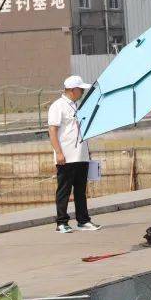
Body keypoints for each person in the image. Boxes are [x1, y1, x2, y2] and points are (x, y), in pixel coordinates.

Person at [48, 75, 101, 233]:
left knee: (80, 190)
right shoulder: (58, 106)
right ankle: (61, 222)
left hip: (81, 155)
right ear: (72, 90)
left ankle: (83, 220)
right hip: (67, 156)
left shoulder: (77, 105)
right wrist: (59, 153)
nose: (83, 92)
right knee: (64, 190)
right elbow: (52, 130)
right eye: (81, 89)